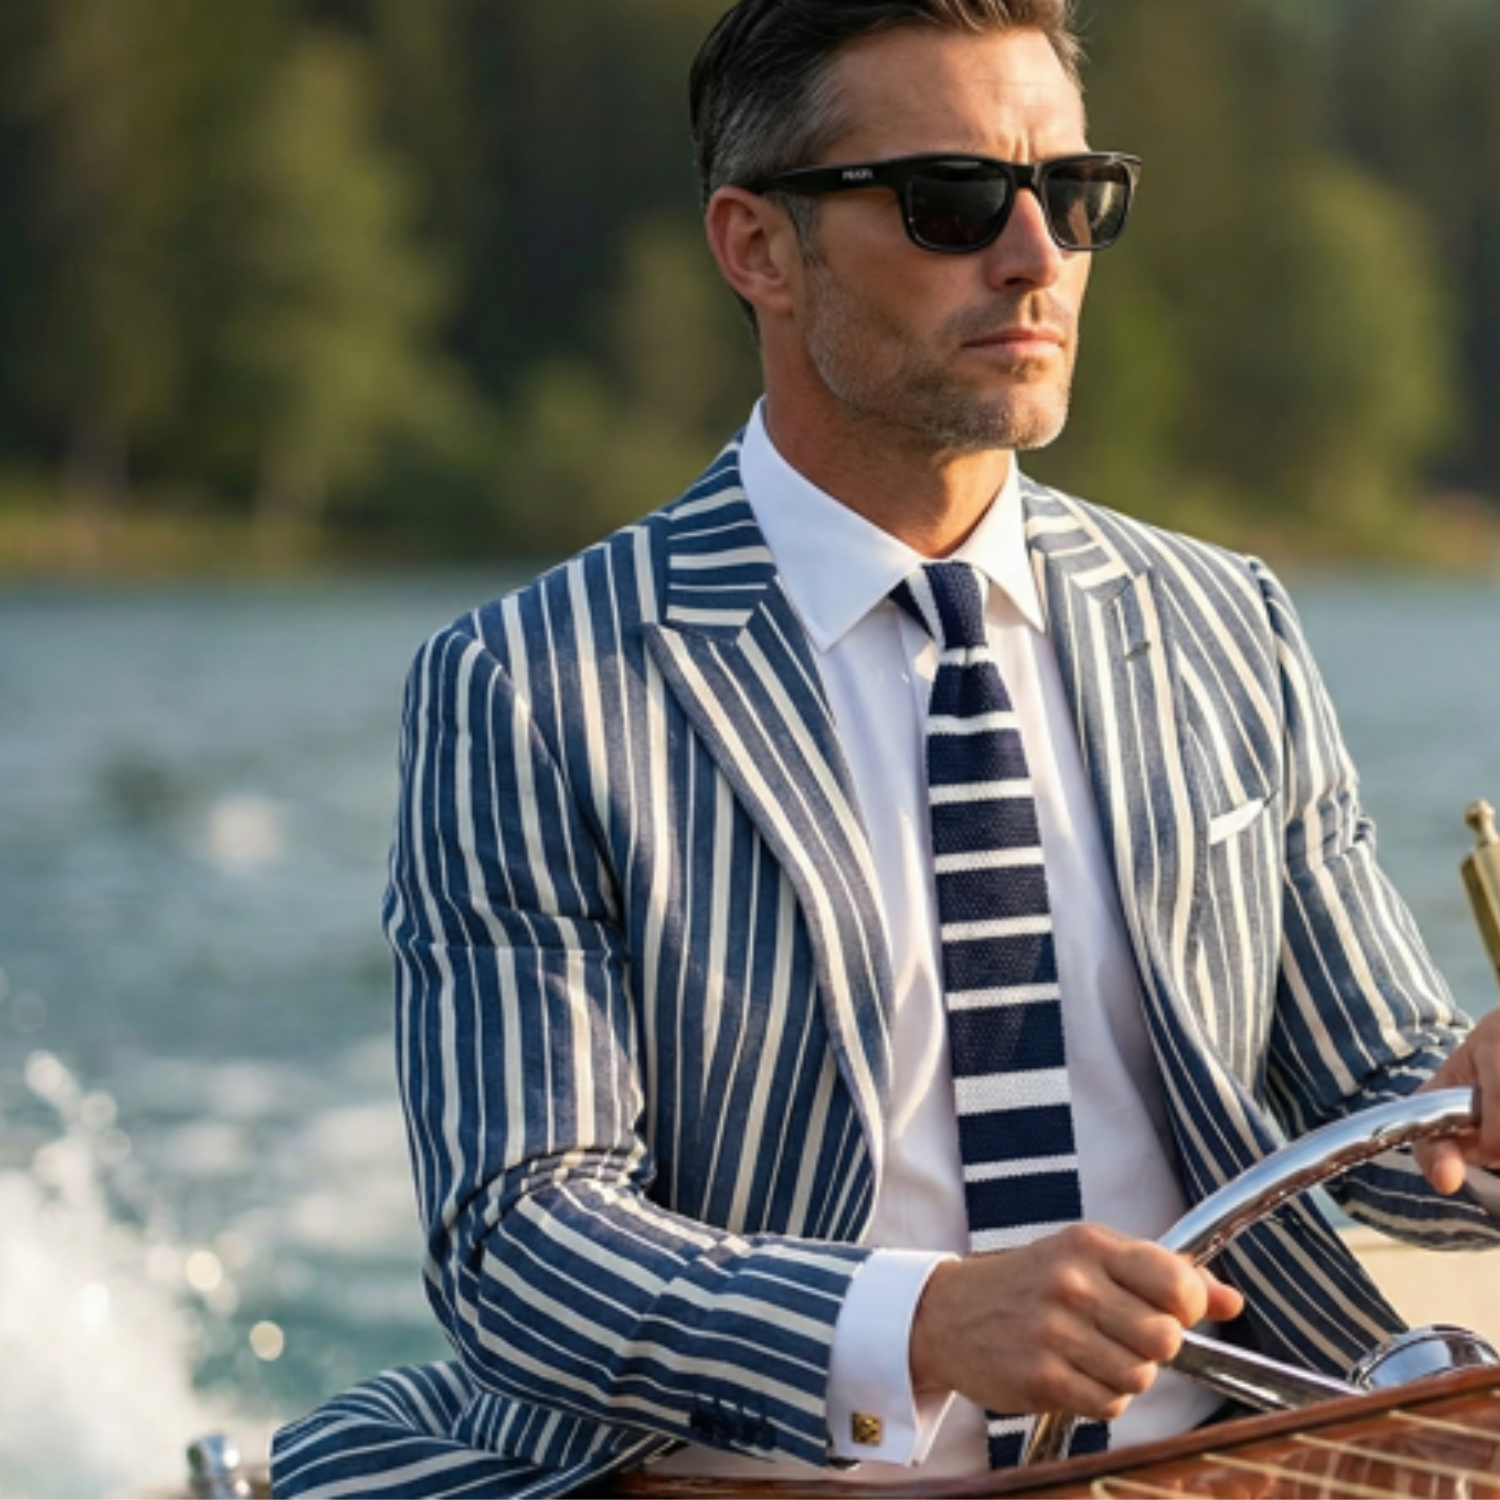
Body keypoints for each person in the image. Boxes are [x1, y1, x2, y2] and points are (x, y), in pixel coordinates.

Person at [272, 1, 1500, 1495]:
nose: (1037, 255)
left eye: (1074, 194)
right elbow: (518, 1238)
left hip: (1227, 1459)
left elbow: (1376, 1099)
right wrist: (919, 1323)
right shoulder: (533, 685)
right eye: (955, 200)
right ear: (759, 248)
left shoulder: (1221, 621)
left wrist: (1475, 1110)